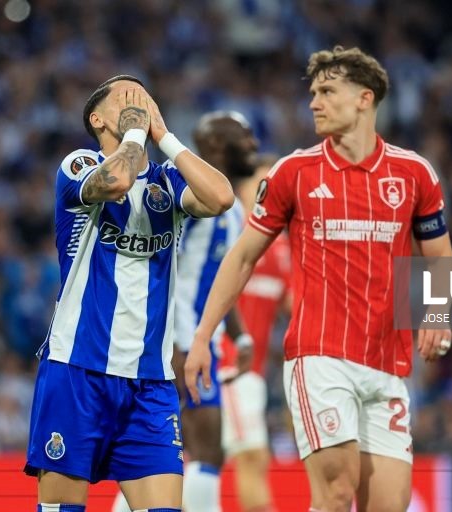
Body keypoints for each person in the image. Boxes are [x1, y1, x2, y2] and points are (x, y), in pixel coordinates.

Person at [184, 46, 452, 512]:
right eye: (313, 92)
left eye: (327, 91)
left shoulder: (414, 174)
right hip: (319, 358)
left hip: (388, 363)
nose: (314, 102)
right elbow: (242, 256)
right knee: (335, 490)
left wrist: (439, 312)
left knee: (389, 504)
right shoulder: (294, 172)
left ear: (365, 99)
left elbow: (440, 256)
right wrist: (204, 335)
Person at [24, 74, 234, 512]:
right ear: (97, 118)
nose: (138, 101)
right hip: (77, 369)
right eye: (125, 97)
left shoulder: (167, 183)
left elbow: (221, 198)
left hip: (151, 383)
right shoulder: (78, 166)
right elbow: (116, 181)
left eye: (143, 96)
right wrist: (138, 132)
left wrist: (166, 136)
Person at [113, 110, 258, 512]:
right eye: (243, 137)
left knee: (162, 449)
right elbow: (161, 267)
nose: (254, 145)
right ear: (214, 145)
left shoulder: (232, 208)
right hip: (178, 340)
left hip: (200, 339)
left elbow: (219, 282)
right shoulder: (189, 196)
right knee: (205, 449)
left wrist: (239, 334)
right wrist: (171, 342)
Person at [219, 155, 291, 512]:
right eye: (260, 185)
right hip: (228, 369)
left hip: (253, 373)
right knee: (252, 458)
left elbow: (299, 309)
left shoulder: (284, 251)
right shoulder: (228, 235)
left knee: (198, 463)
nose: (267, 193)